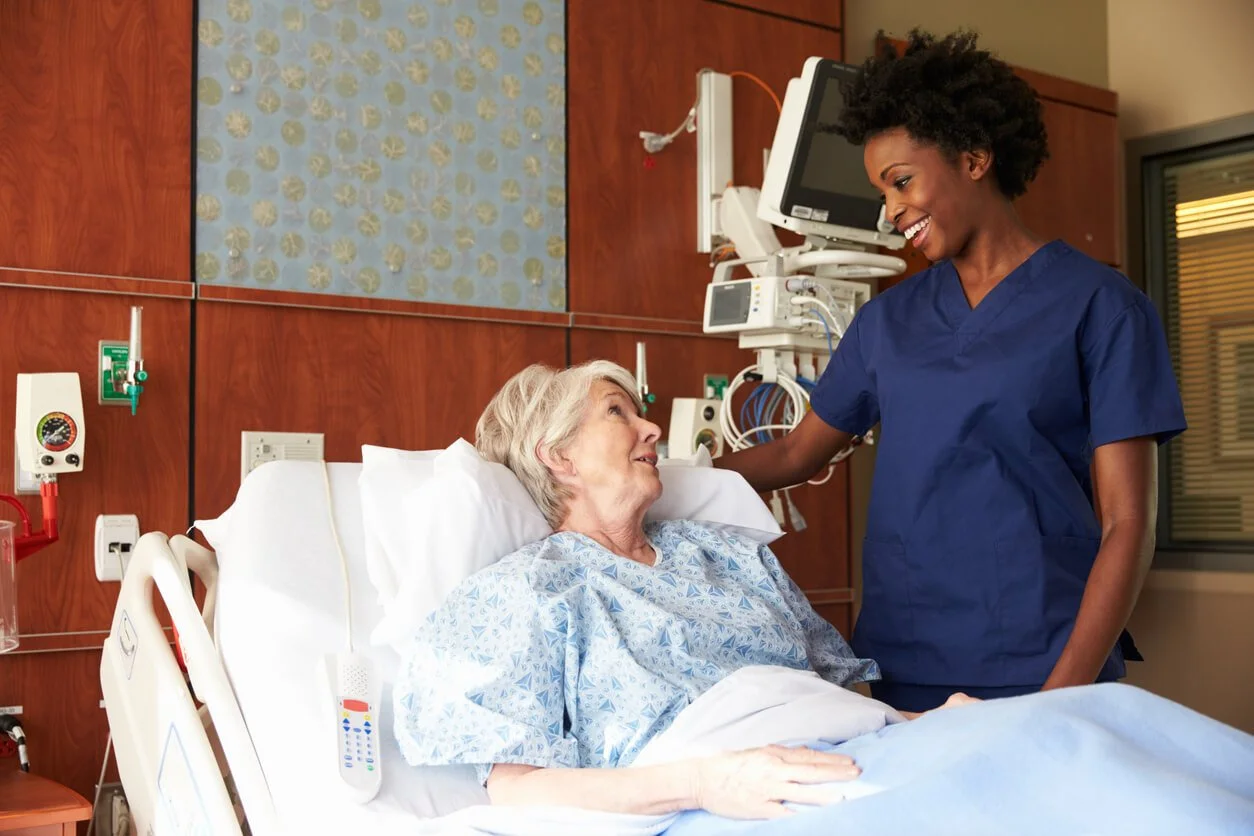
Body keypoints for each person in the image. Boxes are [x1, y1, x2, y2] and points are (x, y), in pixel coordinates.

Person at [714, 29, 1187, 713]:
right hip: (907, 657)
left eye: (902, 182)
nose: (892, 210)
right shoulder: (889, 322)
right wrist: (667, 478)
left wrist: (1061, 697)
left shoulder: (1103, 307)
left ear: (974, 158)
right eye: (883, 191)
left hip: (1048, 659)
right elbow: (793, 452)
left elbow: (1127, 526)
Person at [393, 360, 973, 820]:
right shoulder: (526, 591)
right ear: (559, 456)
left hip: (865, 753)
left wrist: (930, 722)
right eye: (618, 412)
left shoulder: (724, 553)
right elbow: (516, 792)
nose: (652, 429)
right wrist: (703, 782)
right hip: (720, 800)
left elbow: (830, 698)